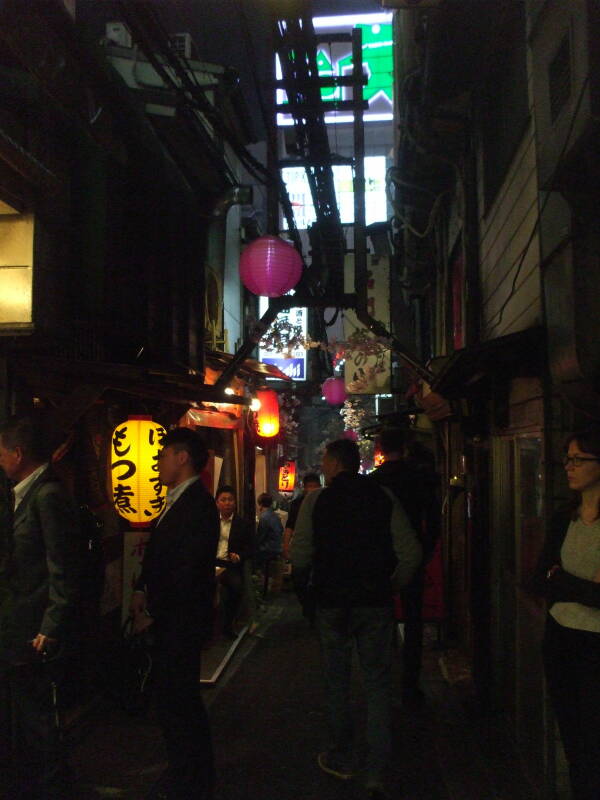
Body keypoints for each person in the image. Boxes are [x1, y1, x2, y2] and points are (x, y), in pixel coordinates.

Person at [291, 439, 421, 800]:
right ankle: (376, 771)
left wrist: (305, 591)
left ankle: (341, 755)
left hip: (331, 603)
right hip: (375, 602)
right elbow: (410, 553)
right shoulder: (383, 498)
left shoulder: (316, 501)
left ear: (333, 465)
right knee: (378, 685)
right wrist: (392, 584)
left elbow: (300, 555)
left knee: (336, 680)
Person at [131, 427, 219, 800]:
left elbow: (186, 569)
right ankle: (187, 770)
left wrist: (152, 609)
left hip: (180, 620)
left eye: (163, 454)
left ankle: (192, 775)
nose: (158, 462)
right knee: (174, 699)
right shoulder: (177, 500)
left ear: (182, 458)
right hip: (173, 617)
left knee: (179, 699)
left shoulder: (198, 505)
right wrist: (140, 588)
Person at [0, 414, 80, 799]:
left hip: (32, 627)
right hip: (18, 622)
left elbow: (61, 567)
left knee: (36, 716)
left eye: (1, 451)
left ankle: (50, 787)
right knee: (23, 713)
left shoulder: (47, 495)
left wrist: (50, 626)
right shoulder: (25, 492)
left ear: (18, 453)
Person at [531, 424, 600, 800]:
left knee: (594, 740)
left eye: (579, 460)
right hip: (561, 639)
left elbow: (556, 580)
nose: (569, 467)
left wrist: (564, 582)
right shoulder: (564, 519)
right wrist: (585, 587)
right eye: (567, 459)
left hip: (596, 644)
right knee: (573, 738)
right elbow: (539, 579)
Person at [372, 428, 440, 707]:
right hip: (413, 554)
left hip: (380, 559)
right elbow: (434, 519)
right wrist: (424, 551)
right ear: (405, 446)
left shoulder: (375, 482)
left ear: (380, 448)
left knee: (380, 621)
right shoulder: (419, 478)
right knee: (413, 621)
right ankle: (411, 686)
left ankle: (382, 684)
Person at [214, 485, 254, 637]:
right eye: (223, 500)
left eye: (230, 499)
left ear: (235, 503)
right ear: (217, 503)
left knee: (236, 588)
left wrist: (239, 556)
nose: (227, 503)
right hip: (211, 563)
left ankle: (228, 625)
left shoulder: (242, 524)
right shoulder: (210, 522)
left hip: (230, 565)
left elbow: (251, 548)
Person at [282, 472, 321, 561]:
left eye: (315, 486)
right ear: (304, 488)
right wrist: (286, 546)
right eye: (310, 486)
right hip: (301, 545)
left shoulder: (324, 502)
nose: (312, 489)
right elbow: (290, 525)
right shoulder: (297, 503)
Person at [255, 493, 284, 584]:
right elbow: (281, 529)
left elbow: (260, 537)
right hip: (278, 547)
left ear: (261, 504)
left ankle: (260, 581)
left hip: (268, 549)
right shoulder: (275, 515)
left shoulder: (264, 517)